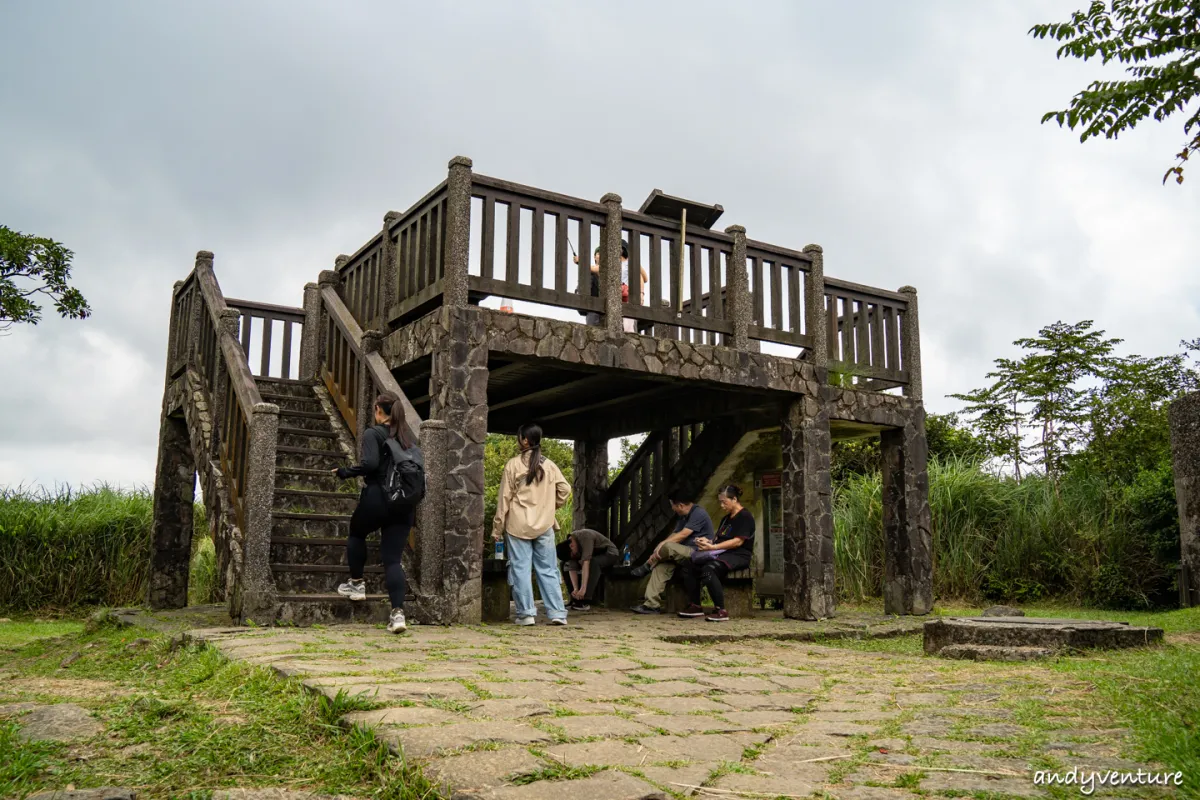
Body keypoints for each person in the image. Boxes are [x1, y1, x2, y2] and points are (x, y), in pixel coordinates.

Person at [332, 392, 418, 634]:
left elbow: (370, 464)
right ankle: (398, 613)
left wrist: (345, 471)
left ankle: (357, 584)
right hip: (403, 504)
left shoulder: (374, 433)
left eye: (375, 409)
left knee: (357, 533)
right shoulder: (407, 439)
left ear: (380, 410)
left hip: (378, 498)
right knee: (393, 560)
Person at [492, 423, 572, 626]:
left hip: (518, 525)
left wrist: (497, 528)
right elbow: (565, 489)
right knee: (548, 569)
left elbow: (504, 500)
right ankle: (557, 613)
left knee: (521, 569)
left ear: (525, 440)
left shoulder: (513, 465)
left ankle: (526, 614)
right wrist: (550, 507)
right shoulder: (549, 465)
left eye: (519, 436)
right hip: (544, 525)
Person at [677, 485, 756, 622]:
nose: (721, 505)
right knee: (688, 564)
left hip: (738, 555)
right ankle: (695, 605)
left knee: (709, 569)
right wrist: (706, 542)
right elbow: (717, 539)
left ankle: (721, 610)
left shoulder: (745, 517)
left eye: (724, 502)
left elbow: (737, 542)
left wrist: (712, 547)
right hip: (721, 553)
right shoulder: (725, 519)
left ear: (734, 499)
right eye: (720, 502)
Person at [629, 491, 714, 615]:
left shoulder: (698, 513)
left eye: (672, 505)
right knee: (660, 567)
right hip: (680, 553)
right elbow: (675, 533)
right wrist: (660, 545)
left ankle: (647, 565)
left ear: (680, 505)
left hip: (696, 552)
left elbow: (683, 535)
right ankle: (652, 605)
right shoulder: (684, 516)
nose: (672, 509)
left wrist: (663, 546)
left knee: (668, 546)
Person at [574, 240, 650, 332]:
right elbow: (595, 268)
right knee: (624, 319)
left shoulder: (630, 264)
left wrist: (641, 293)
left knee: (628, 320)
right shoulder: (610, 264)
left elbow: (644, 278)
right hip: (617, 296)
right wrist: (581, 262)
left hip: (626, 295)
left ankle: (629, 333)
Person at [556, 528, 620, 611]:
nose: (574, 556)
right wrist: (575, 589)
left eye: (573, 554)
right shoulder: (569, 545)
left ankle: (585, 600)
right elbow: (571, 567)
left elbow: (586, 563)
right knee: (564, 564)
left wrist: (583, 589)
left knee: (593, 563)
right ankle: (575, 598)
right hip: (592, 556)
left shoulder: (586, 537)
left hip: (609, 554)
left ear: (572, 546)